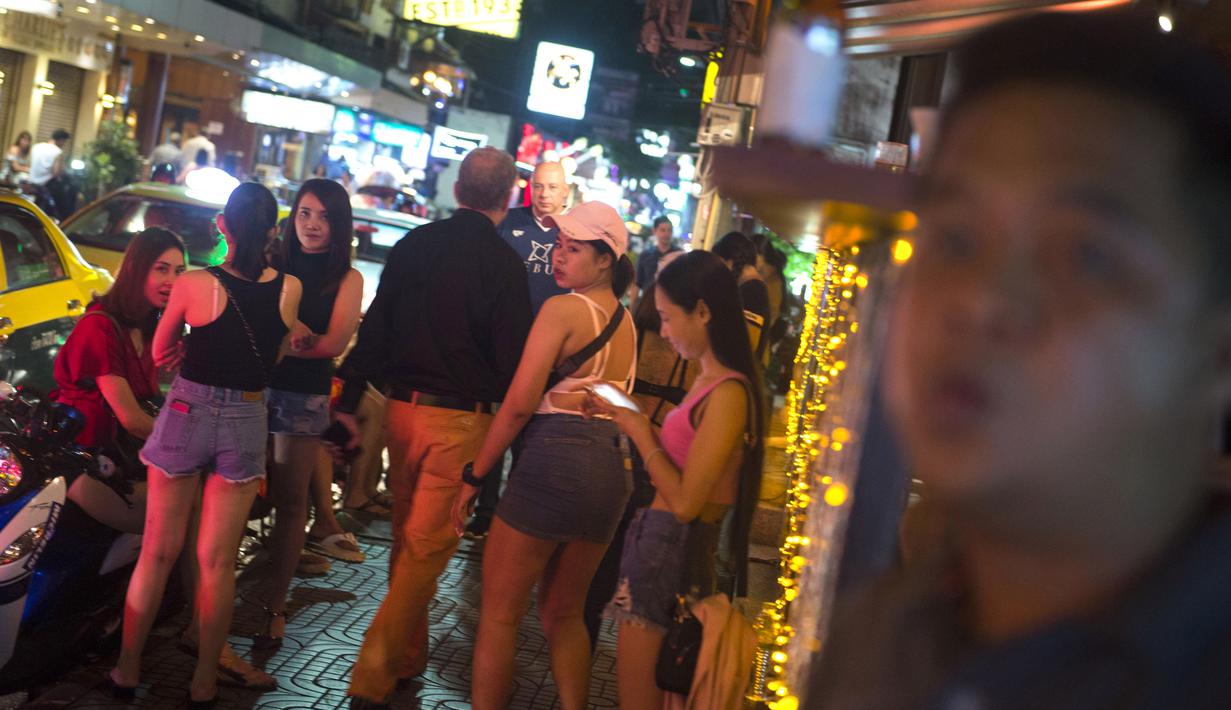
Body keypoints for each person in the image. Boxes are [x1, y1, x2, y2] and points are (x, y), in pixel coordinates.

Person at [809, 11, 1231, 709]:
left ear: (1216, 356)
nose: (980, 300)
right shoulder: (880, 637)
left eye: (1084, 255)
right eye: (954, 238)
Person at [335, 146, 532, 709]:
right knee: (426, 548)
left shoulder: (414, 245)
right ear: (508, 196)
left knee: (407, 539)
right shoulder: (502, 266)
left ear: (457, 189)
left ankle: (408, 656)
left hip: (402, 413)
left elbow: (377, 328)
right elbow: (513, 359)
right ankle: (371, 675)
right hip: (461, 420)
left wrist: (349, 396)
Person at [109, 183, 301, 707]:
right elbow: (275, 355)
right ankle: (204, 681)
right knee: (217, 562)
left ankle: (127, 668)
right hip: (246, 416)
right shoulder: (290, 288)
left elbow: (161, 347)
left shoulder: (196, 283)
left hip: (188, 410)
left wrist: (189, 349)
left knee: (158, 552)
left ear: (223, 226)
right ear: (272, 230)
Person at [453, 201, 637, 709]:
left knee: (499, 611)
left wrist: (476, 474)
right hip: (611, 470)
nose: (558, 256)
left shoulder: (564, 310)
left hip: (555, 461)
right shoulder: (625, 322)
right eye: (558, 245)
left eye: (573, 249)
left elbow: (516, 406)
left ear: (605, 260)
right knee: (565, 611)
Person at [586, 250, 764, 710]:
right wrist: (626, 413)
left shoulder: (728, 392)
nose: (662, 331)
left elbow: (686, 501)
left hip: (673, 549)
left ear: (703, 311)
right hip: (660, 544)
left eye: (667, 318)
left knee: (641, 698)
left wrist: (640, 429)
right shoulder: (710, 380)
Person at [254, 178, 364, 648]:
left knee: (291, 502)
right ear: (291, 216)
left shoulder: (347, 277)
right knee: (236, 493)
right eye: (304, 213)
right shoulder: (270, 261)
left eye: (323, 216)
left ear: (339, 224)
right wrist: (293, 337)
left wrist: (286, 338)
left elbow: (333, 345)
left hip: (303, 397)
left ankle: (272, 605)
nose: (312, 224)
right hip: (251, 390)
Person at [462, 161, 571, 540]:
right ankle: (486, 512)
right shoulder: (508, 223)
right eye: (539, 186)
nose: (544, 195)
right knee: (496, 428)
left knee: (533, 437)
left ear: (566, 192)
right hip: (504, 345)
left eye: (553, 188)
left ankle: (520, 516)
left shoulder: (574, 234)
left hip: (551, 353)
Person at [713, 231, 771, 359]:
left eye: (721, 265)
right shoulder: (751, 288)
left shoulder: (753, 292)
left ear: (730, 262)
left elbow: (744, 345)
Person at [634, 216, 680, 304]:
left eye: (669, 230)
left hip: (670, 305)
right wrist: (632, 311)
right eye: (662, 230)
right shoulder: (645, 255)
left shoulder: (678, 256)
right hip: (648, 304)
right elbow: (637, 284)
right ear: (654, 231)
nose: (666, 234)